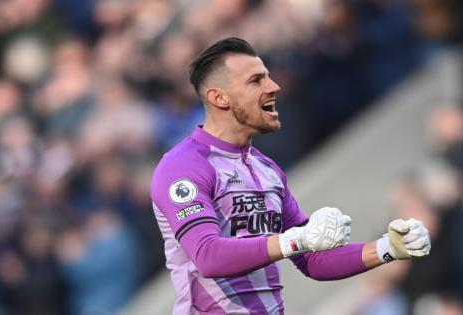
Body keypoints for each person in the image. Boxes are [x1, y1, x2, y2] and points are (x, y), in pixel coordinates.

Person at [150, 37, 431, 315]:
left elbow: (311, 259)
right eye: (255, 80)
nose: (274, 87)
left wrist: (387, 248)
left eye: (268, 77)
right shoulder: (184, 166)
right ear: (218, 97)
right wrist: (295, 240)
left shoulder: (267, 169)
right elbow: (208, 256)